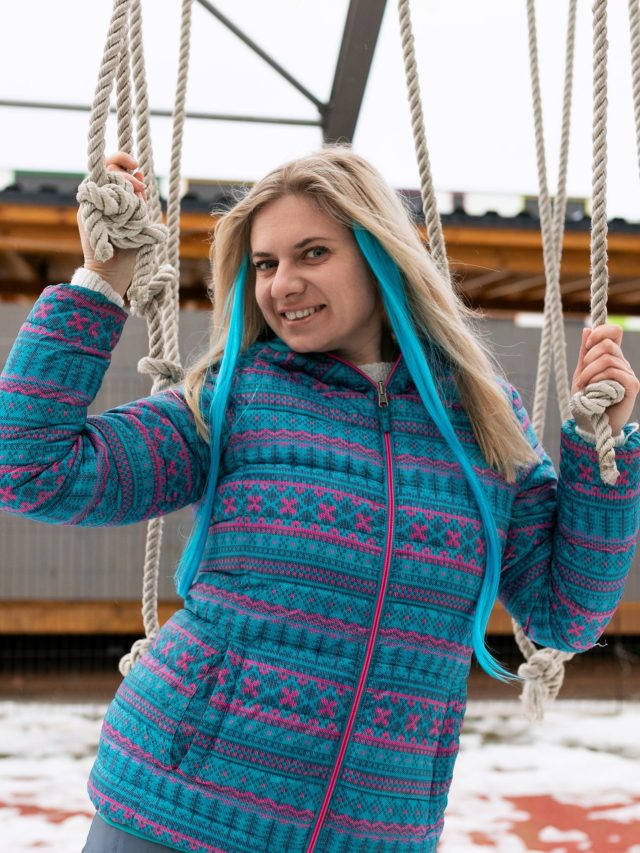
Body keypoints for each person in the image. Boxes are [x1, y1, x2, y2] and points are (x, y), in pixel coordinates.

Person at [0, 145, 638, 853]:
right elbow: (31, 469)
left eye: (312, 253)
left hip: (376, 831)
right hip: (176, 814)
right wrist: (98, 283)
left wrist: (600, 452)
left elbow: (566, 612)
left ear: (378, 255)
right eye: (266, 263)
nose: (282, 284)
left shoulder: (482, 418)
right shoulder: (234, 399)